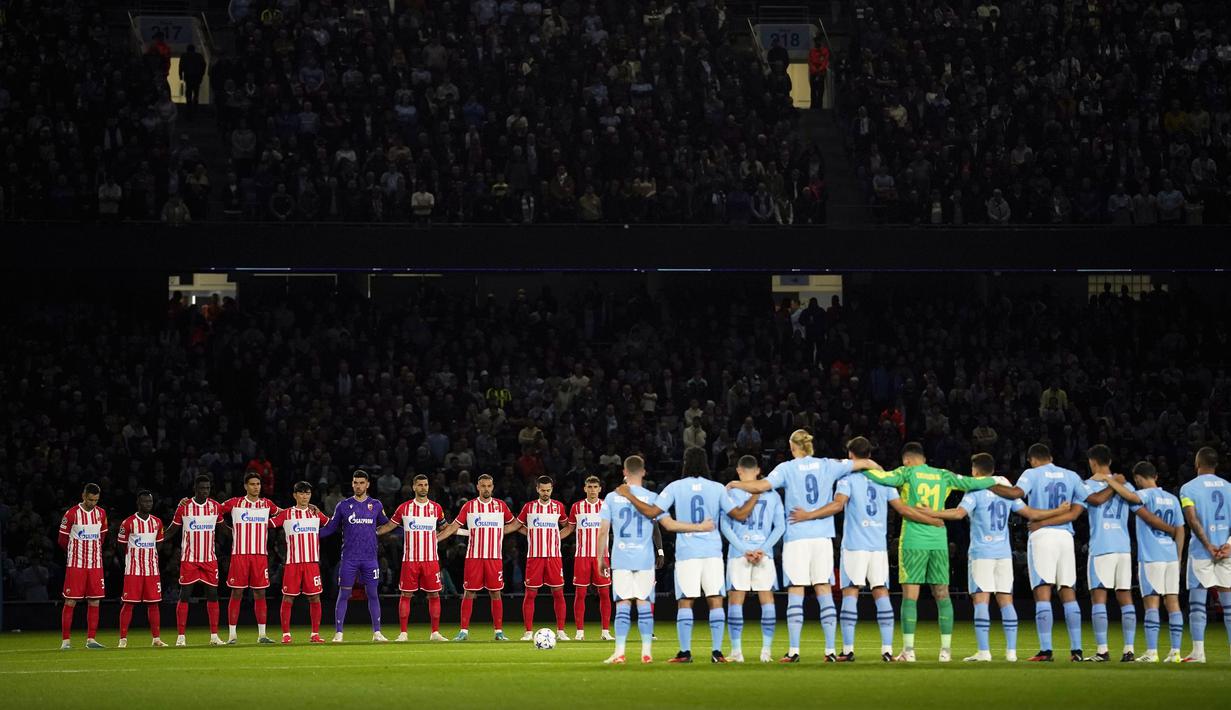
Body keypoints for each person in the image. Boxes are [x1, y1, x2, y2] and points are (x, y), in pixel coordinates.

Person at [727, 429, 880, 662]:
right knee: (824, 589)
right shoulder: (829, 464)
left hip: (797, 536)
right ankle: (829, 651)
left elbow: (760, 487)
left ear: (792, 447)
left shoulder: (786, 468)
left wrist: (734, 484)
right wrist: (883, 477)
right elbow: (865, 463)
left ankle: (794, 650)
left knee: (796, 590)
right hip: (822, 537)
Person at [861, 442, 1016, 662]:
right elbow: (972, 482)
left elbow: (882, 478)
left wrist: (862, 465)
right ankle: (945, 651)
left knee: (910, 597)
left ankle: (909, 651)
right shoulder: (943, 475)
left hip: (914, 540)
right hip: (939, 541)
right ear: (923, 458)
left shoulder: (906, 472)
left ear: (906, 459)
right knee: (942, 595)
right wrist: (996, 479)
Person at [807, 438, 948, 662]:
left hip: (855, 545)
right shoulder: (885, 480)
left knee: (851, 593)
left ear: (851, 455)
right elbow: (902, 509)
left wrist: (809, 515)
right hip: (878, 547)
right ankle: (887, 650)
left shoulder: (848, 478)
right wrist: (932, 520)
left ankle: (848, 649)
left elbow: (838, 504)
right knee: (881, 592)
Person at [618, 447, 758, 663]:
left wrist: (629, 496)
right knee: (715, 600)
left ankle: (685, 653)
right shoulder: (717, 488)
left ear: (685, 462)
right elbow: (739, 515)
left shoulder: (675, 487)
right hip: (712, 552)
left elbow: (652, 513)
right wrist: (755, 495)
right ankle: (717, 653)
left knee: (685, 601)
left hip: (687, 553)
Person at [929, 453, 1067, 662]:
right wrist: (1058, 510)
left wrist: (932, 512)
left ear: (975, 471)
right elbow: (1030, 513)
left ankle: (984, 651)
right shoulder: (1006, 489)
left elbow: (958, 514)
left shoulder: (976, 489)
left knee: (981, 601)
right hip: (1003, 555)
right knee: (1006, 601)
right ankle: (1011, 652)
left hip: (981, 553)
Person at [597, 455, 713, 664]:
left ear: (624, 472)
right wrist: (699, 527)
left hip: (621, 558)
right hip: (644, 559)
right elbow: (668, 525)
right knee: (644, 604)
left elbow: (603, 531)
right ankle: (646, 652)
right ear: (643, 472)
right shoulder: (652, 497)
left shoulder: (612, 498)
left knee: (622, 605)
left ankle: (620, 652)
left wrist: (600, 558)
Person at [1011, 443, 1092, 662]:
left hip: (1042, 537)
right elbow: (1077, 511)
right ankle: (1077, 651)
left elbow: (1018, 493)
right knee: (1068, 591)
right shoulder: (1071, 475)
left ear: (1032, 459)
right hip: (1066, 537)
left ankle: (1046, 650)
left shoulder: (1031, 473)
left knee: (1043, 591)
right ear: (1051, 457)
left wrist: (1039, 522)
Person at [436, 473, 519, 641]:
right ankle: (463, 631)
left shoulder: (501, 506)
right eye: (483, 486)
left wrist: (500, 532)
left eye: (489, 486)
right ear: (477, 487)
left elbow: (515, 524)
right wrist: (436, 539)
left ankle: (498, 632)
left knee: (495, 593)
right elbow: (453, 527)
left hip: (494, 558)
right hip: (474, 557)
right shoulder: (469, 507)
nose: (486, 489)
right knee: (468, 593)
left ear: (493, 487)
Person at [720, 455, 785, 663]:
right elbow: (781, 527)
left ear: (739, 470)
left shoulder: (730, 492)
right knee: (767, 599)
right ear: (758, 470)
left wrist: (743, 549)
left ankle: (737, 652)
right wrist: (763, 549)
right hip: (763, 554)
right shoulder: (772, 494)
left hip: (739, 554)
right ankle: (766, 652)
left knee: (736, 600)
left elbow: (725, 526)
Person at [1080, 445, 1139, 661]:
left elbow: (1095, 500)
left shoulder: (1086, 485)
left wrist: (1111, 483)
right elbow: (1136, 503)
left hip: (1102, 547)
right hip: (1123, 547)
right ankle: (1129, 650)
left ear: (1092, 462)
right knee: (1125, 596)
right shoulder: (1125, 484)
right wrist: (1116, 483)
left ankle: (1102, 651)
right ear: (1110, 461)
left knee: (1099, 597)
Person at [377, 474, 449, 642]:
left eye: (426, 484)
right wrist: (372, 532)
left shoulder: (436, 508)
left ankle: (435, 633)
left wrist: (437, 538)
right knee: (406, 594)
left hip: (431, 559)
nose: (423, 487)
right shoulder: (404, 508)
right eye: (420, 485)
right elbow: (390, 526)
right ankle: (403, 633)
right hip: (410, 559)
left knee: (434, 595)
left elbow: (446, 528)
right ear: (414, 487)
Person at [320, 469, 390, 642]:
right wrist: (309, 534)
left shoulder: (376, 505)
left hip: (370, 558)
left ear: (367, 484)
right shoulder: (343, 505)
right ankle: (339, 633)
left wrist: (411, 531)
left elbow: (388, 525)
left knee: (373, 594)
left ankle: (377, 633)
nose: (358, 486)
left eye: (361, 483)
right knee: (344, 594)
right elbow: (330, 527)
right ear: (352, 484)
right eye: (355, 482)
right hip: (349, 559)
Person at [1127, 461, 1187, 662]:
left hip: (1151, 556)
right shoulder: (1172, 499)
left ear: (1137, 479)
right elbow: (1181, 530)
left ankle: (1152, 652)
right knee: (1173, 602)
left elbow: (1130, 498)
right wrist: (1178, 557)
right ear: (1156, 476)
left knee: (1151, 602)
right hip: (1170, 557)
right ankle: (1176, 652)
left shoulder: (1142, 496)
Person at [1178, 446, 1231, 663]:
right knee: (1228, 604)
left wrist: (1208, 545)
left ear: (1197, 464)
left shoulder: (1188, 489)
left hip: (1202, 551)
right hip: (1227, 551)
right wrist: (1229, 545)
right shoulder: (1229, 487)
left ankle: (1198, 652)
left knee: (1198, 601)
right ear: (1216, 464)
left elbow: (1192, 519)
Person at [219, 472, 279, 644]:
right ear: (245, 486)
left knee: (260, 593)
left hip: (260, 556)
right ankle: (232, 635)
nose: (256, 487)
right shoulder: (235, 503)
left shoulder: (267, 504)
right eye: (252, 484)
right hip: (240, 555)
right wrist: (226, 529)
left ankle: (262, 635)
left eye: (258, 484)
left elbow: (284, 514)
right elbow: (215, 510)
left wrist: (305, 508)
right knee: (237, 592)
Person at [166, 475, 225, 646]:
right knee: (184, 595)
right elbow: (172, 531)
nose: (205, 491)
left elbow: (223, 529)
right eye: (202, 488)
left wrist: (242, 532)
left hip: (209, 559)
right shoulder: (184, 507)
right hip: (189, 559)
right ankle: (181, 637)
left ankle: (214, 636)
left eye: (207, 488)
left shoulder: (215, 507)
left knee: (213, 595)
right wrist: (152, 540)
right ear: (195, 488)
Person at [515, 476, 574, 641]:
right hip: (534, 557)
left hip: (554, 556)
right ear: (537, 489)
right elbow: (517, 525)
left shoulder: (558, 507)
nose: (545, 493)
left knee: (558, 593)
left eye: (548, 490)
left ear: (552, 489)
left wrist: (557, 537)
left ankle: (561, 631)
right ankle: (528, 632)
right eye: (543, 490)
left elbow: (569, 526)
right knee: (530, 594)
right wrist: (531, 534)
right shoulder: (529, 507)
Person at [270, 481, 329, 644]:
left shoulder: (316, 513)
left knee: (315, 598)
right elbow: (268, 524)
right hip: (293, 563)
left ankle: (315, 634)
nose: (305, 496)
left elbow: (331, 524)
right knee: (288, 598)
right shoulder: (287, 514)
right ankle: (286, 634)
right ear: (295, 495)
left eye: (307, 493)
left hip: (311, 563)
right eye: (301, 493)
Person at [58, 483, 108, 649]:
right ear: (83, 496)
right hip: (76, 564)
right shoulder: (71, 514)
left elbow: (102, 536)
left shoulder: (101, 513)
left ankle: (91, 640)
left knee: (95, 601)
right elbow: (62, 540)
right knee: (71, 600)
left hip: (95, 564)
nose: (93, 503)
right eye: (90, 499)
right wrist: (74, 552)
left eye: (96, 500)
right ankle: (66, 641)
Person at [116, 491, 166, 648]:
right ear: (138, 503)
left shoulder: (157, 522)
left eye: (150, 502)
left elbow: (160, 543)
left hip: (152, 570)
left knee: (154, 604)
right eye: (145, 502)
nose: (148, 504)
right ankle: (123, 639)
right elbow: (120, 545)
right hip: (133, 570)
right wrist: (132, 557)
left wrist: (151, 556)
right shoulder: (128, 523)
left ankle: (156, 639)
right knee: (129, 604)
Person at [569, 475, 613, 640]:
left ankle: (605, 632)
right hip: (582, 557)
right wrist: (554, 537)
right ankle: (579, 632)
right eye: (590, 487)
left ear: (600, 489)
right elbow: (570, 529)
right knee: (580, 594)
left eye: (595, 487)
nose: (593, 490)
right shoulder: (577, 507)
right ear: (585, 488)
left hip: (602, 557)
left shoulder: (607, 507)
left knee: (604, 594)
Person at [179, 44, 207, 119]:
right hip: (197, 77)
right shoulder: (199, 56)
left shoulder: (184, 56)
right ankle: (195, 107)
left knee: (188, 92)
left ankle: (189, 107)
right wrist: (201, 74)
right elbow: (204, 65)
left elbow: (181, 66)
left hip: (188, 76)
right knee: (196, 92)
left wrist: (180, 76)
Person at [807, 36, 829, 109]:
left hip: (821, 73)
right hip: (813, 73)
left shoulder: (825, 51)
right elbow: (810, 62)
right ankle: (813, 106)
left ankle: (820, 106)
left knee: (820, 91)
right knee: (813, 90)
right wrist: (815, 70)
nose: (818, 43)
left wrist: (819, 70)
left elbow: (825, 62)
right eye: (816, 41)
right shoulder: (812, 51)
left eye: (819, 41)